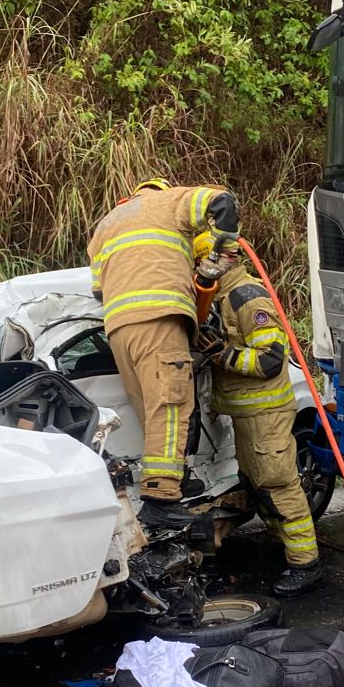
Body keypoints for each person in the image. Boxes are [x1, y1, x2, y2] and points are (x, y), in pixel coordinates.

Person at [88, 178, 240, 528]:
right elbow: (222, 203)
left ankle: (176, 477)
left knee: (150, 409)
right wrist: (221, 254)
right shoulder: (171, 202)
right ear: (161, 188)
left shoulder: (105, 225)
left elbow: (99, 291)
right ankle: (161, 499)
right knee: (170, 408)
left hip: (119, 330)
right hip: (160, 319)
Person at [198, 247, 323, 597]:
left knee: (278, 484)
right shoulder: (223, 295)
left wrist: (224, 356)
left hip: (266, 413)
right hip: (247, 413)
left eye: (201, 262)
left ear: (221, 262)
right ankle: (281, 546)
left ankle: (306, 565)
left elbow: (271, 359)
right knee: (258, 485)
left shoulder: (247, 297)